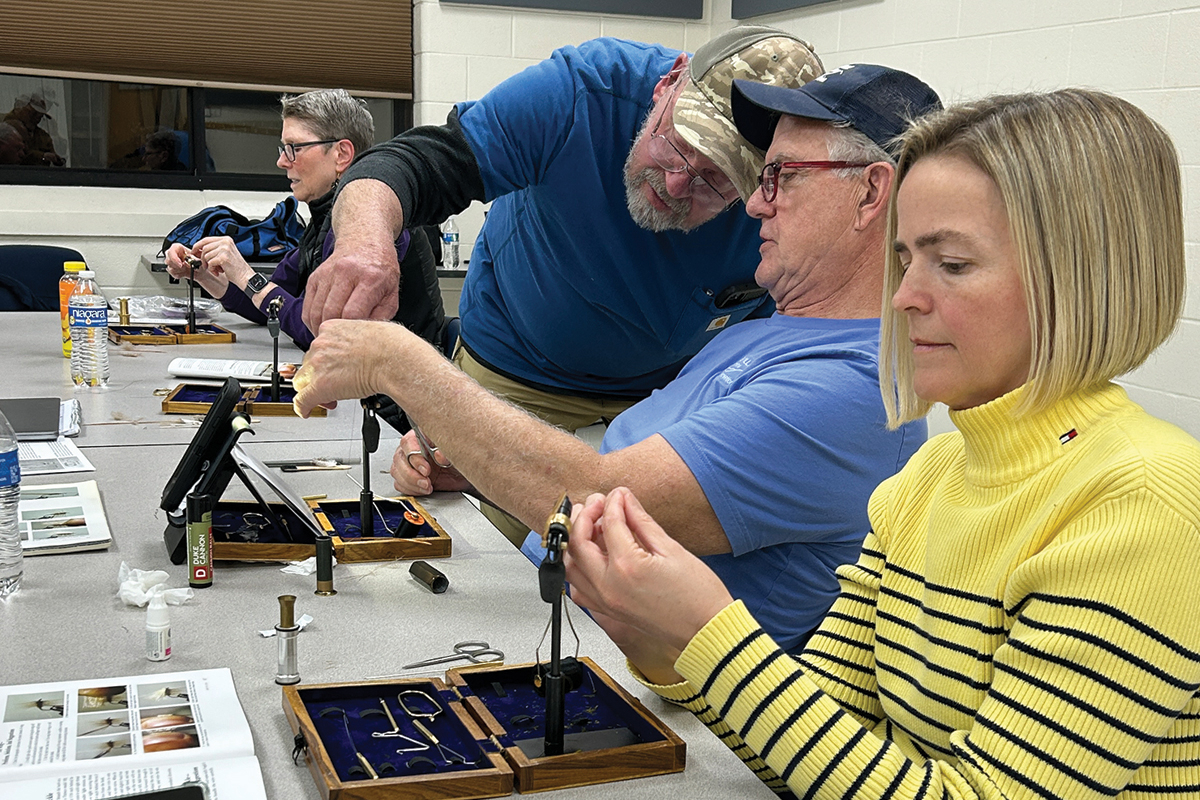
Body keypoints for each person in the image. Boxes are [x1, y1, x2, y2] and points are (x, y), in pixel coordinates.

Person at [563, 87, 1200, 799]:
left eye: (951, 263)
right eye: (905, 260)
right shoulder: (930, 476)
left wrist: (711, 632)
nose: (903, 297)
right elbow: (819, 747)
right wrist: (664, 643)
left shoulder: (1145, 504)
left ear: (1081, 278)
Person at [291, 65, 939, 654]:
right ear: (665, 88)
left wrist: (400, 364)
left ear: (870, 193)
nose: (756, 204)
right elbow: (621, 473)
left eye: (781, 177)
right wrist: (476, 462)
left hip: (617, 679)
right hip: (553, 613)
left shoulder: (852, 391)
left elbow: (597, 504)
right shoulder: (767, 330)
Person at [300, 25, 826, 542]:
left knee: (636, 558)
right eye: (679, 143)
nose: (676, 182)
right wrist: (364, 243)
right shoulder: (583, 92)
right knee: (476, 546)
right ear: (668, 84)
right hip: (517, 366)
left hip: (669, 394)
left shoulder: (798, 200)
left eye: (717, 179)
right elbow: (420, 162)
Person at [164, 89, 444, 353]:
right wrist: (205, 275)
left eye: (294, 148)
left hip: (402, 383)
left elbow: (320, 329)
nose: (282, 162)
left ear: (341, 155)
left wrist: (246, 275)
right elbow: (271, 304)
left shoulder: (372, 224)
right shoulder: (323, 221)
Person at [3, 93, 64, 166]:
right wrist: (42, 156)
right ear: (18, 110)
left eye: (40, 116)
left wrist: (57, 159)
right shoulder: (7, 129)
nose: (37, 119)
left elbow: (53, 155)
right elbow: (14, 153)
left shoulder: (43, 136)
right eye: (33, 113)